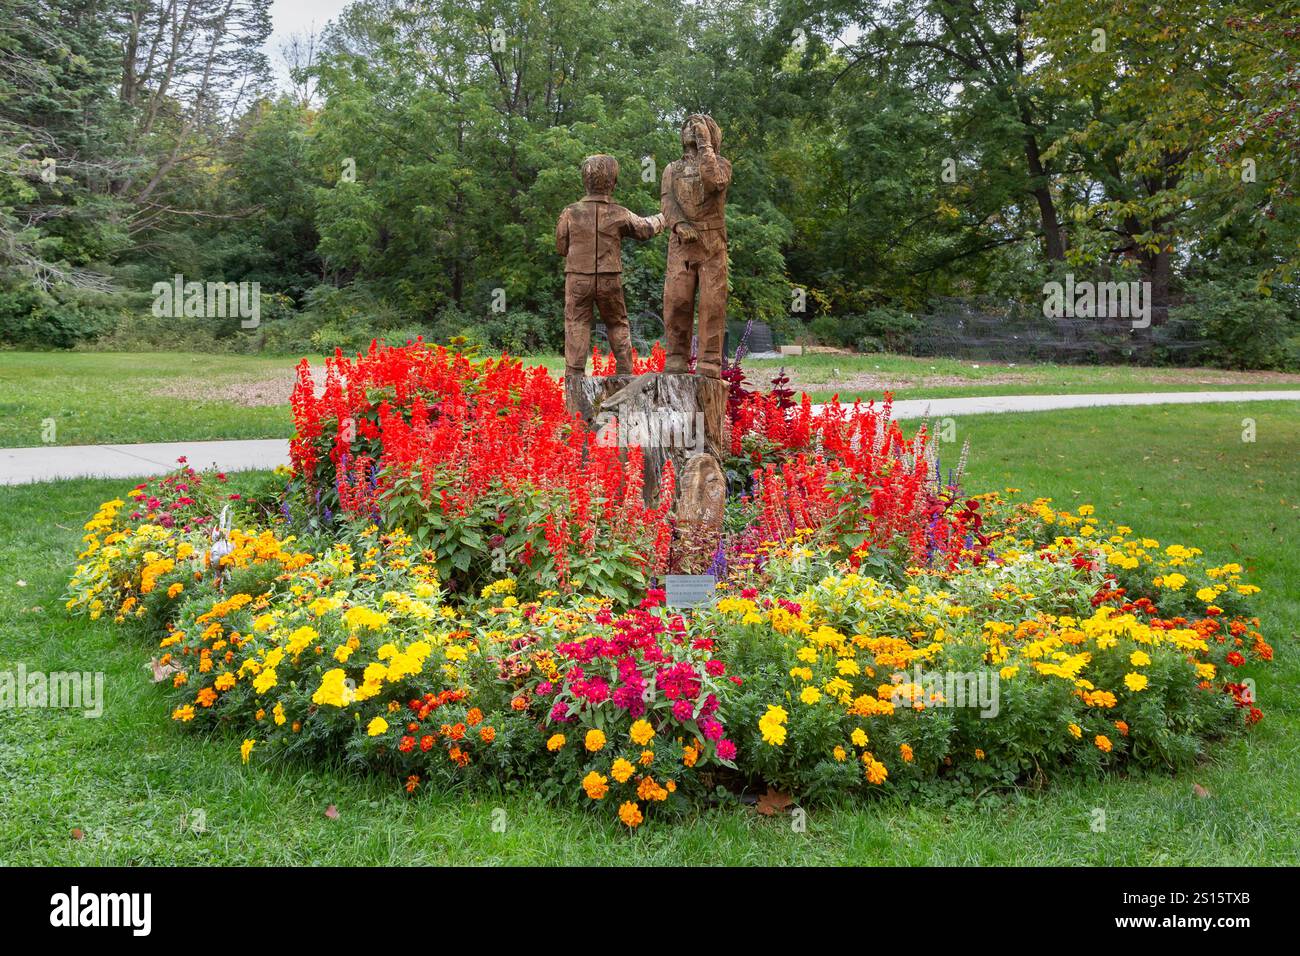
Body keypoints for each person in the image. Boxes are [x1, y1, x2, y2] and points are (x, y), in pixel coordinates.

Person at [555, 154, 664, 379]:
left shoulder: (570, 212)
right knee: (617, 323)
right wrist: (664, 218)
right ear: (613, 182)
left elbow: (561, 247)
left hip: (577, 277)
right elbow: (645, 229)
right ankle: (624, 375)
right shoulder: (619, 213)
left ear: (584, 181)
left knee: (576, 323)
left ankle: (574, 377)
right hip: (609, 278)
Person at [660, 114, 731, 378]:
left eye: (697, 125)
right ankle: (676, 356)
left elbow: (714, 182)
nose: (690, 128)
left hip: (712, 243)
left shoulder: (721, 165)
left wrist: (705, 146)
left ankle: (710, 361)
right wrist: (679, 224)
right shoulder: (671, 169)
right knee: (677, 299)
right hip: (681, 244)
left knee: (712, 302)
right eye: (686, 125)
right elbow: (667, 203)